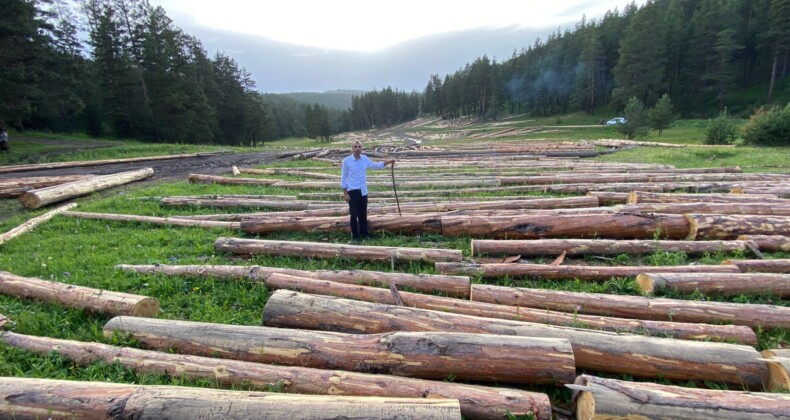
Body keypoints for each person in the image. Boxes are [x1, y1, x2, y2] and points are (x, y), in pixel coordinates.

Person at [340, 141, 395, 242]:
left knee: (363, 214)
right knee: (353, 215)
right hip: (352, 191)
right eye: (355, 146)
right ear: (352, 148)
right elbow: (343, 178)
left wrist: (388, 162)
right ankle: (355, 237)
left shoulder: (364, 159)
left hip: (363, 191)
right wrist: (345, 193)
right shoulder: (346, 161)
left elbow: (375, 166)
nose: (357, 148)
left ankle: (364, 234)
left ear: (362, 149)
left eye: (359, 147)